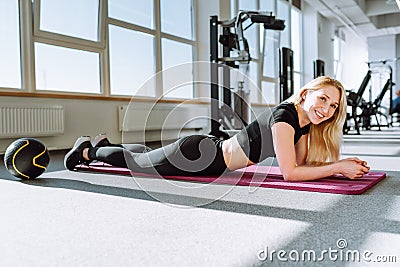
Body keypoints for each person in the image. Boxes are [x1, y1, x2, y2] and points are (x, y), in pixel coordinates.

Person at [64, 76, 370, 181]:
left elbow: (301, 165)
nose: (326, 109)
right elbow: (289, 173)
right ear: (306, 94)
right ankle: (89, 150)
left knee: (147, 155)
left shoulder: (304, 125)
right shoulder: (284, 117)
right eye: (323, 99)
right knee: (139, 165)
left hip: (213, 156)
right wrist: (337, 167)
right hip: (200, 155)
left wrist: (339, 166)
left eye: (333, 107)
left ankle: (103, 142)